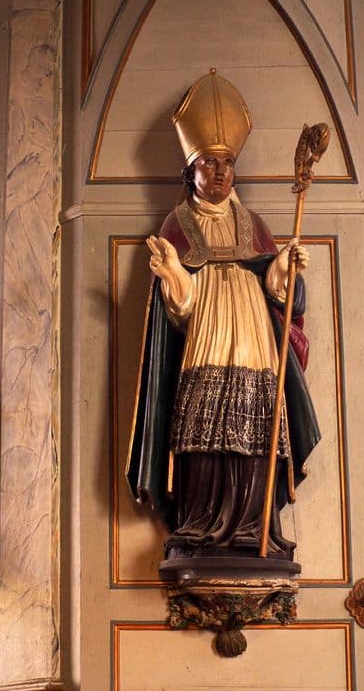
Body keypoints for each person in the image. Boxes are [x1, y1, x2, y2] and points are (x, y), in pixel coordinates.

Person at [126, 69, 320, 561]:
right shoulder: (177, 223)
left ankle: (255, 525)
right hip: (206, 339)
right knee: (204, 422)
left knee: (255, 424)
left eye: (227, 163)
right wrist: (173, 272)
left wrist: (284, 268)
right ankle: (201, 522)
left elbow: (278, 292)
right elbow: (179, 310)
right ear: (190, 170)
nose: (219, 172)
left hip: (254, 341)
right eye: (208, 163)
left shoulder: (253, 223)